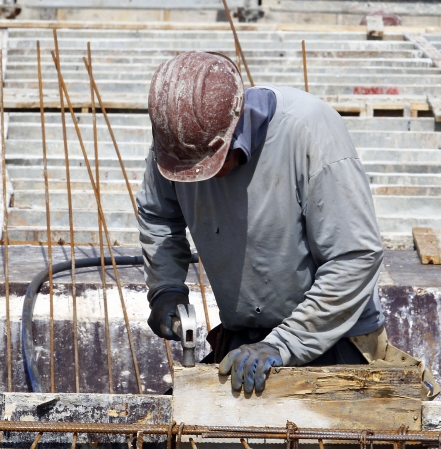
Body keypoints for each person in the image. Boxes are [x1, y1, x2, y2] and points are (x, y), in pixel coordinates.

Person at [137, 51, 385, 394]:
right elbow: (157, 214)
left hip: (336, 339)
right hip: (246, 339)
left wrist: (284, 343)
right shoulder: (177, 141)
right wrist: (166, 289)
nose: (201, 181)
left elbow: (355, 256)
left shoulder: (309, 130)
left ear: (235, 125)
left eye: (211, 164)